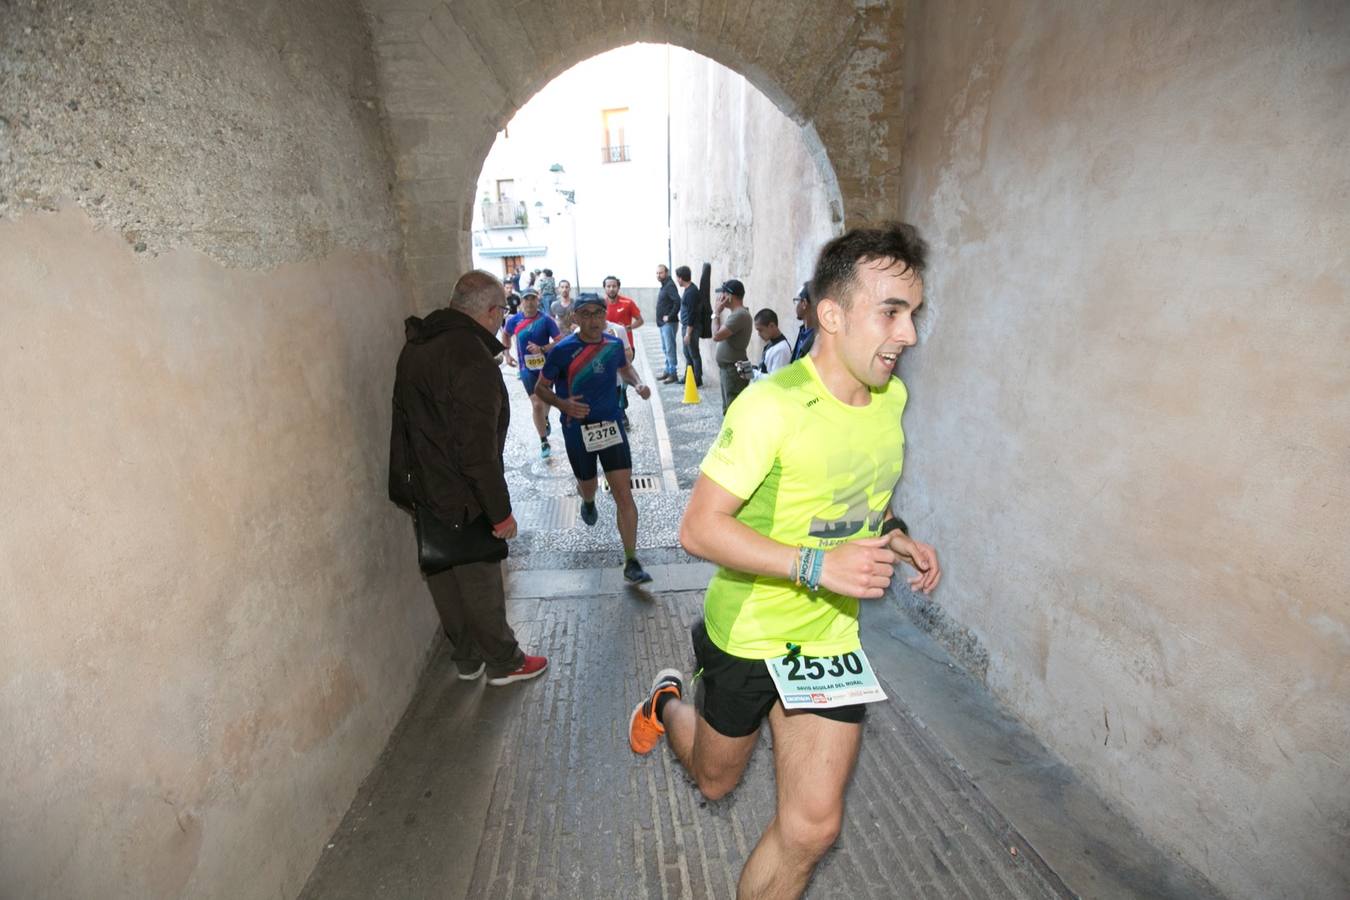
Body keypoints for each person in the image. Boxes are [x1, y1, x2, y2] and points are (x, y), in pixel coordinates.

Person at [628, 224, 942, 898]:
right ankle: (667, 699)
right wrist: (814, 568)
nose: (908, 334)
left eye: (913, 313)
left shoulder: (892, 400)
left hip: (828, 637)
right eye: (891, 312)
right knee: (716, 779)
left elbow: (853, 501)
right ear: (832, 314)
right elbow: (698, 529)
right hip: (748, 633)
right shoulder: (771, 405)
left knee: (812, 828)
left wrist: (896, 534)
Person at [388, 269, 549, 686]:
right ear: (493, 312)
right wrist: (500, 514)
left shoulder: (418, 345)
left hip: (424, 484)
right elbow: (477, 452)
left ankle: (467, 656)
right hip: (463, 490)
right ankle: (503, 661)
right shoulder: (470, 357)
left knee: (443, 568)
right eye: (502, 312)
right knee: (479, 575)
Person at [535, 293, 656, 585]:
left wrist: (638, 383)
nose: (593, 320)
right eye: (586, 314)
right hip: (577, 428)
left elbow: (624, 368)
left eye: (598, 314)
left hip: (610, 426)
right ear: (575, 318)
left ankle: (631, 561)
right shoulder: (562, 350)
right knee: (587, 484)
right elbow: (541, 388)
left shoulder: (613, 344)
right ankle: (588, 500)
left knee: (623, 494)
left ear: (605, 316)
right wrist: (564, 405)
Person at [500, 287, 563, 460]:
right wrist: (507, 354)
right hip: (526, 368)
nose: (529, 302)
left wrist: (542, 348)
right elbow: (505, 335)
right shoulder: (514, 320)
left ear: (538, 300)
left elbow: (558, 341)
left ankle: (545, 418)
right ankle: (543, 440)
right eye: (526, 299)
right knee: (536, 404)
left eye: (532, 299)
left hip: (546, 367)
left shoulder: (546, 320)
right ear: (521, 302)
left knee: (547, 399)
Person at [602, 275, 644, 426]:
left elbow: (640, 320)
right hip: (604, 350)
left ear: (618, 287)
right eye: (608, 286)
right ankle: (612, 411)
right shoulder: (600, 305)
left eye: (614, 286)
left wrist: (628, 328)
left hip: (625, 348)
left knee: (622, 378)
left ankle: (622, 412)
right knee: (610, 380)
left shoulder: (627, 303)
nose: (611, 288)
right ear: (604, 288)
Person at [711, 279, 753, 413]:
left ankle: (735, 434)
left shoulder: (740, 315)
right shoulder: (736, 314)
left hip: (733, 370)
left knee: (733, 410)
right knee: (729, 408)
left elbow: (716, 335)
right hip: (728, 369)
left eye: (723, 293)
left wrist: (716, 313)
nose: (720, 297)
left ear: (730, 295)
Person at [677, 265, 703, 387]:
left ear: (681, 278)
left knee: (693, 354)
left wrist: (688, 333)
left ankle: (697, 379)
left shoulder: (692, 292)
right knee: (687, 354)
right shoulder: (689, 290)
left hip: (691, 328)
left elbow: (692, 314)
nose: (677, 280)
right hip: (687, 327)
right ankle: (689, 377)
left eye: (678, 278)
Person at [655, 264, 681, 383]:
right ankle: (668, 370)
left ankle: (673, 373)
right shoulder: (664, 285)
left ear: (666, 272)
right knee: (665, 348)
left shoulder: (670, 285)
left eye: (661, 273)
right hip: (662, 323)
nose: (658, 275)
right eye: (657, 273)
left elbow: (677, 302)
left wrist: (670, 316)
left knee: (670, 348)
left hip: (669, 324)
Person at [790, 281, 817, 362]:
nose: (796, 305)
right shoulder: (803, 332)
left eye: (797, 300)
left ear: (804, 303)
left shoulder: (819, 340)